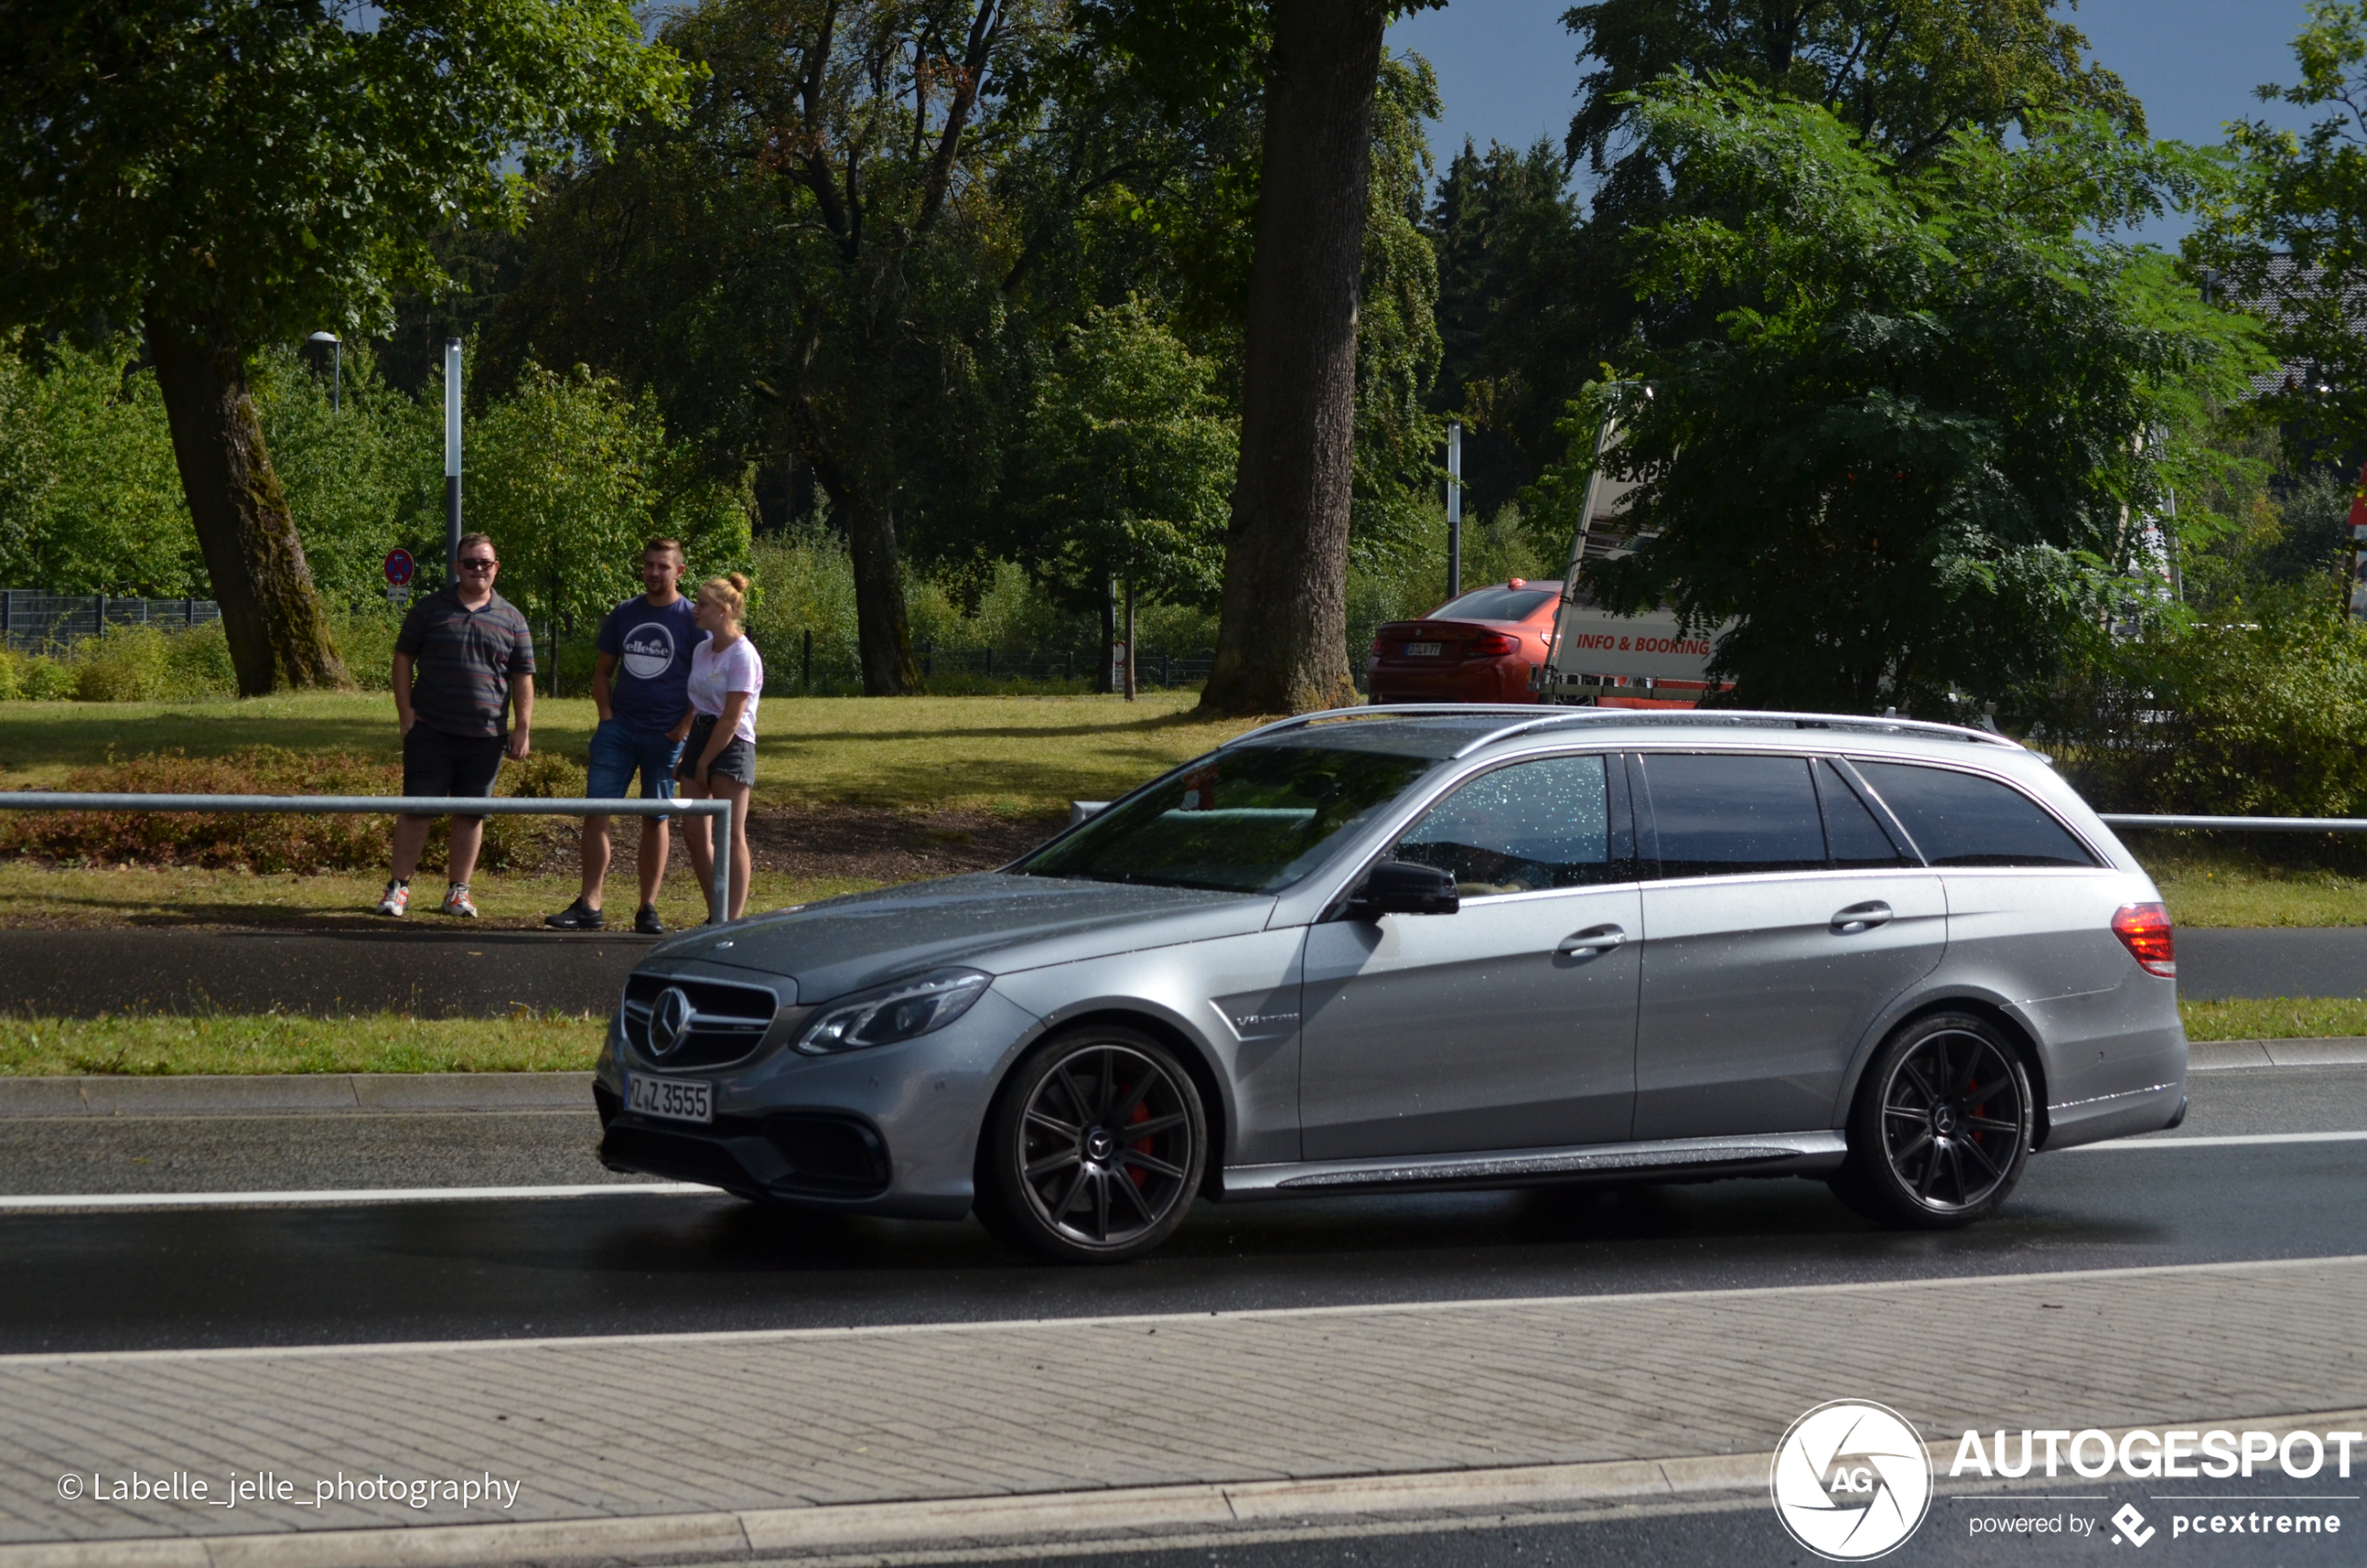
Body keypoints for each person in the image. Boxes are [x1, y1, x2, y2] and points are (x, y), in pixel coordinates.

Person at [378, 532, 535, 918]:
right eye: (470, 562)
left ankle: (458, 893)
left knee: (471, 814)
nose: (478, 569)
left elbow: (523, 678)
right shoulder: (429, 610)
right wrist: (406, 714)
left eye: (485, 563)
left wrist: (523, 728)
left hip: (486, 736)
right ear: (457, 567)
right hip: (430, 729)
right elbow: (402, 660)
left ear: (496, 567)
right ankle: (398, 889)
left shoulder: (513, 618)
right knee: (417, 809)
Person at [546, 539, 697, 935]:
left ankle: (648, 908)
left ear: (679, 571)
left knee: (655, 817)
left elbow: (705, 684)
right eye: (648, 565)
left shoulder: (693, 619)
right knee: (597, 810)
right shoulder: (625, 612)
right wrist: (607, 718)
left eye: (662, 566)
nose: (653, 573)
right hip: (619, 731)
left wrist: (682, 730)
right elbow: (602, 672)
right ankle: (589, 906)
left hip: (664, 736)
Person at [672, 573, 761, 922]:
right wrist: (688, 749)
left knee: (731, 834)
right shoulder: (702, 648)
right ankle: (717, 914)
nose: (695, 609)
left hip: (732, 742)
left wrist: (705, 762)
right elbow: (699, 703)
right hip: (701, 736)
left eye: (702, 604)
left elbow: (731, 717)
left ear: (724, 611)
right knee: (694, 832)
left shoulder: (743, 655)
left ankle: (732, 920)